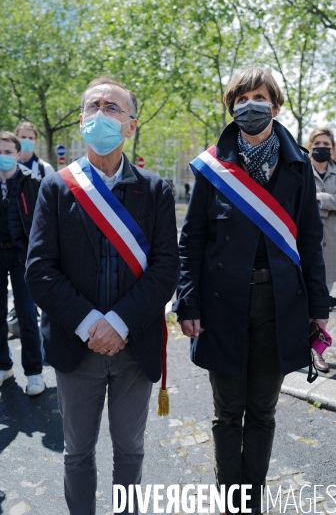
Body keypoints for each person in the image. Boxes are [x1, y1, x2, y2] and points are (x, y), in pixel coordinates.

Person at [173, 66, 333, 515]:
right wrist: (187, 300)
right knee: (228, 414)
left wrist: (319, 307)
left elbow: (310, 243)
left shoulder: (299, 166)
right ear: (231, 107)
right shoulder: (210, 167)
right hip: (222, 305)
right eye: (240, 100)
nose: (249, 106)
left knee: (262, 412)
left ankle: (253, 502)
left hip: (280, 305)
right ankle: (232, 503)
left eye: (258, 97)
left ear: (276, 105)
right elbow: (193, 241)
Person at [25, 76, 179, 515]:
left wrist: (120, 322)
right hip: (78, 346)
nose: (100, 114)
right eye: (93, 107)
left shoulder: (156, 190)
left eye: (112, 108)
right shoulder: (56, 186)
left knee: (130, 453)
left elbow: (166, 267)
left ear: (131, 126)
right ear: (80, 120)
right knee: (76, 454)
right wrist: (92, 323)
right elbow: (40, 270)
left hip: (135, 346)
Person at [0, 132, 45, 394]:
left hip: (22, 257)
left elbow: (43, 222)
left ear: (18, 155)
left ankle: (34, 372)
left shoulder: (32, 183)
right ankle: (4, 365)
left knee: (27, 313)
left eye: (7, 152)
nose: (3, 157)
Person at [307, 127, 336, 372]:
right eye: (318, 142)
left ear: (332, 147)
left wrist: (318, 199)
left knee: (321, 305)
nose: (322, 146)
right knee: (298, 302)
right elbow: (298, 199)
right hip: (303, 246)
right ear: (310, 145)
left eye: (327, 142)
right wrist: (330, 199)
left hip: (331, 249)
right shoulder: (300, 169)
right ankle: (294, 348)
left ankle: (317, 352)